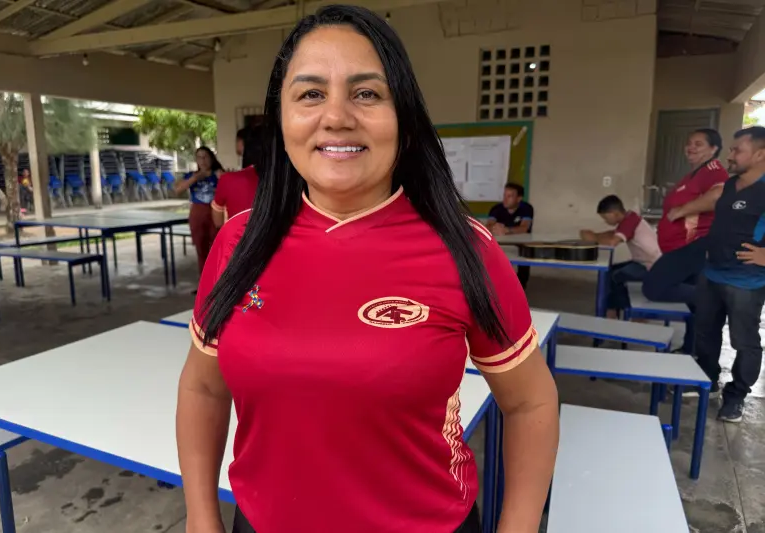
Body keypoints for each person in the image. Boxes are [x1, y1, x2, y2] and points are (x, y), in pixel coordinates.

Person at [176, 6, 559, 533]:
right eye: (310, 94)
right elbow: (203, 388)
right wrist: (200, 517)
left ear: (403, 119)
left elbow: (531, 402)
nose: (336, 116)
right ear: (281, 120)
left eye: (366, 93)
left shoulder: (466, 250)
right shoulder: (238, 244)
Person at [689, 126, 765, 422]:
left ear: (759, 154)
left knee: (744, 342)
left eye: (737, 150)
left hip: (746, 282)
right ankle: (706, 381)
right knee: (705, 333)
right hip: (712, 275)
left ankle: (735, 397)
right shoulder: (730, 185)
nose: (730, 154)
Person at [642, 128, 729, 353]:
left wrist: (682, 210)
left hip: (692, 245)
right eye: (689, 143)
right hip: (682, 247)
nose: (690, 147)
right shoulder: (694, 174)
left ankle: (712, 296)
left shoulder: (712, 169)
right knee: (694, 305)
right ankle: (690, 350)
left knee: (654, 287)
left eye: (698, 144)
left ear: (713, 149)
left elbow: (719, 195)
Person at [580, 195, 661, 316]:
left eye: (605, 217)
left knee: (615, 276)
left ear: (614, 213)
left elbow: (612, 242)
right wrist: (595, 235)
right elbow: (612, 234)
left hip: (653, 266)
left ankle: (621, 311)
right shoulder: (629, 218)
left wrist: (592, 238)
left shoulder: (629, 221)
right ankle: (613, 308)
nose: (605, 221)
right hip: (643, 261)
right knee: (610, 270)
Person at [175, 146, 222, 274]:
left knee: (218, 248)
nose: (203, 160)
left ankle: (218, 282)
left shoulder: (219, 174)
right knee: (201, 249)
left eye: (205, 156)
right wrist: (195, 178)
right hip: (197, 214)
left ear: (212, 158)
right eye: (199, 157)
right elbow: (178, 190)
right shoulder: (192, 175)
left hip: (215, 214)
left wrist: (222, 177)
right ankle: (204, 283)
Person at [485, 183, 534, 288]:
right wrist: (495, 227)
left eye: (510, 196)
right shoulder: (496, 208)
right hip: (502, 244)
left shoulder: (526, 208)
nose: (505, 199)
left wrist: (507, 230)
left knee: (524, 259)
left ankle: (521, 286)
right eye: (504, 195)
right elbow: (488, 225)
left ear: (519, 198)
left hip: (521, 243)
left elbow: (524, 228)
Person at [211, 126, 261, 228]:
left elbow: (218, 221)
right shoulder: (284, 179)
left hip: (238, 240)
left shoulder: (228, 179)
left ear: (242, 143)